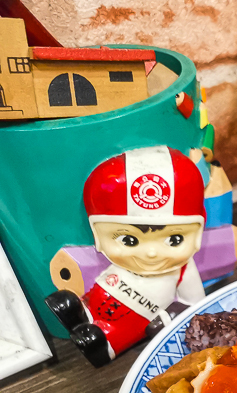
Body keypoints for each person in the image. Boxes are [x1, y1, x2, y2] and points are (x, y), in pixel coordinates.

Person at [46, 145, 206, 366]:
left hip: (134, 321)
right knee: (70, 304)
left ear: (197, 233)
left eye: (174, 239)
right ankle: (81, 313)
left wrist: (168, 318)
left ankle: (102, 345)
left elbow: (194, 303)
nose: (151, 253)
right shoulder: (118, 263)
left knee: (99, 339)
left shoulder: (183, 269)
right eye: (129, 240)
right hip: (100, 297)